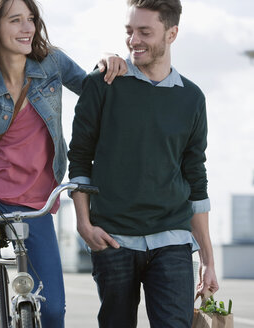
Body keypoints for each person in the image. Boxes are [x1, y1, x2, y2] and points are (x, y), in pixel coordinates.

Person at [0, 0, 127, 327]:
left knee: (52, 312)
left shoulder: (52, 63)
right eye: (15, 20)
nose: (27, 28)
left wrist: (106, 62)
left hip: (35, 202)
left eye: (31, 19)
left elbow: (92, 89)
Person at [67, 0, 219, 327]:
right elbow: (79, 158)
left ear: (172, 33)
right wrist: (83, 224)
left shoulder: (192, 98)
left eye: (145, 32)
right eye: (129, 31)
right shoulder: (101, 85)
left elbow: (196, 178)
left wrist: (207, 259)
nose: (134, 40)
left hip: (174, 241)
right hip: (113, 238)